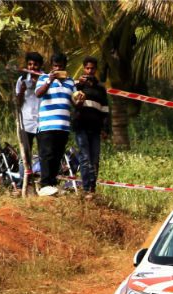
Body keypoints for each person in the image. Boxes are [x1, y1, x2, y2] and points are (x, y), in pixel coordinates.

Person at [34, 52, 75, 196]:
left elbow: (75, 101)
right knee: (47, 154)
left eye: (60, 66)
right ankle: (44, 184)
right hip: (47, 124)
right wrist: (49, 81)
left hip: (63, 126)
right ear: (51, 67)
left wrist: (80, 100)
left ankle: (52, 184)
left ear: (65, 66)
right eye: (55, 66)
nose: (58, 69)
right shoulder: (43, 78)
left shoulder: (71, 82)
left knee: (57, 156)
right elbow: (38, 94)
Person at [71, 56, 110, 199]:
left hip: (95, 128)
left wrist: (106, 129)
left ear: (96, 69)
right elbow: (73, 102)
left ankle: (92, 188)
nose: (90, 71)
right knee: (85, 157)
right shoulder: (76, 84)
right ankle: (86, 188)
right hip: (81, 126)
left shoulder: (100, 88)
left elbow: (105, 110)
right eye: (87, 68)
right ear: (83, 68)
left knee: (94, 159)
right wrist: (79, 86)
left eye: (92, 68)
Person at [15, 51, 44, 181]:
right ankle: (24, 183)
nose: (32, 67)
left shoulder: (46, 79)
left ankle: (44, 182)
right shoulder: (21, 79)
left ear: (40, 65)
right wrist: (22, 91)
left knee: (44, 154)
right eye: (30, 64)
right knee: (25, 154)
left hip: (43, 122)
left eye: (35, 64)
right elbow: (17, 103)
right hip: (26, 122)